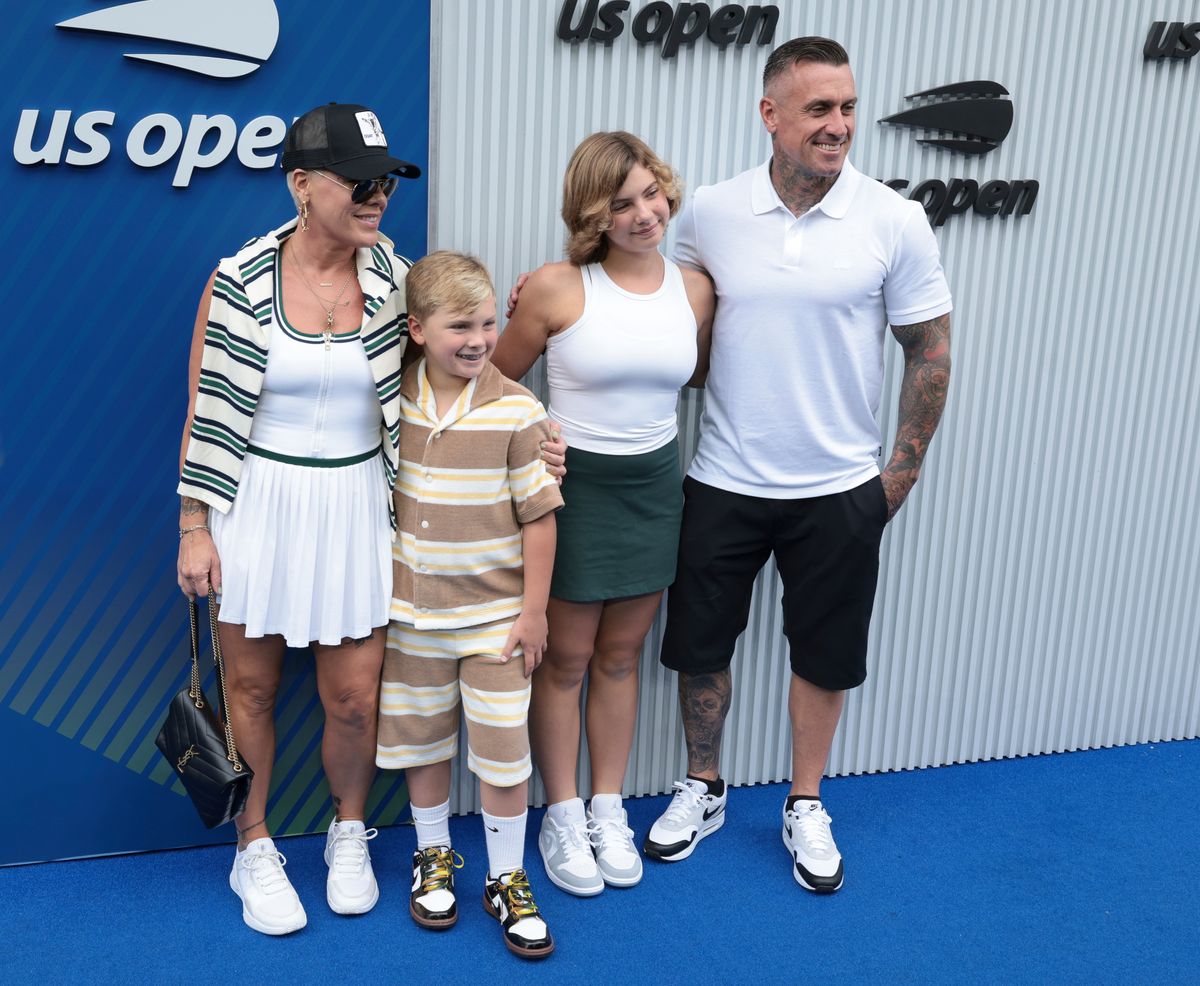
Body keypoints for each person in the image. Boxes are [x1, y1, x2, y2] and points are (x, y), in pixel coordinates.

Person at [175, 104, 567, 936]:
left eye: (385, 180)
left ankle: (348, 833)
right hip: (259, 504)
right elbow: (204, 408)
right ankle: (254, 847)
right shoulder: (240, 277)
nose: (377, 194)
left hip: (358, 506)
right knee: (250, 686)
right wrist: (193, 525)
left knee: (354, 700)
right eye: (360, 180)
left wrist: (541, 430)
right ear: (302, 184)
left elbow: (465, 362)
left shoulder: (397, 278)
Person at [642, 37, 953, 895]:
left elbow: (930, 349)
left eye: (848, 106)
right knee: (699, 648)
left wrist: (901, 472)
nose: (839, 125)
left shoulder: (894, 219)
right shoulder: (709, 211)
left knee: (825, 654)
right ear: (770, 114)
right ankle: (703, 787)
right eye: (819, 108)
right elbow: (657, 304)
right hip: (723, 478)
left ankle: (805, 801)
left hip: (840, 488)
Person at [491, 132, 714, 897]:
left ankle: (607, 807)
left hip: (656, 485)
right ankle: (561, 813)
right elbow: (487, 385)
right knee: (566, 661)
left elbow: (698, 374)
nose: (644, 213)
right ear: (594, 215)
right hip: (575, 491)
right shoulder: (557, 288)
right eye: (621, 203)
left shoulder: (695, 290)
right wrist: (539, 435)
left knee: (621, 658)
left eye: (652, 193)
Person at [375, 252, 563, 958]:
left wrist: (534, 612)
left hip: (497, 621)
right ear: (417, 328)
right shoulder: (391, 395)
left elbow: (539, 516)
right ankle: (432, 858)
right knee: (421, 742)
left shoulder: (519, 408)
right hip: (412, 617)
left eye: (488, 322)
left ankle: (507, 876)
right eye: (460, 325)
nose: (479, 338)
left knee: (504, 753)